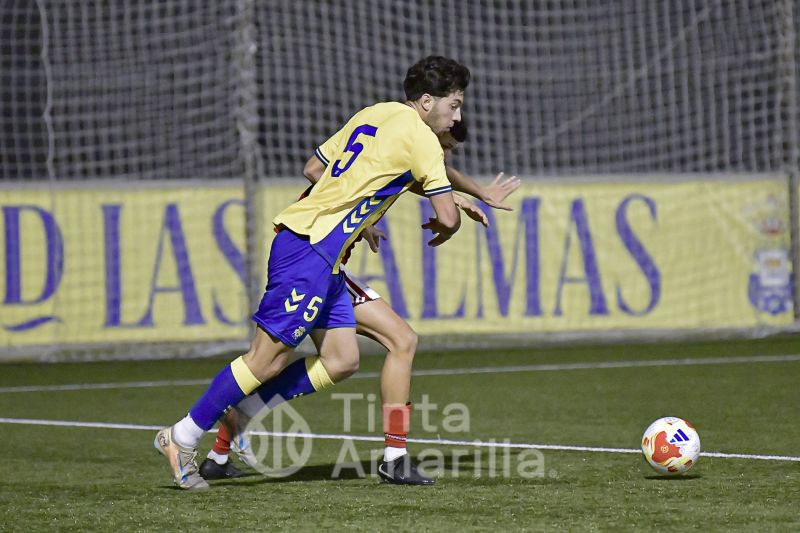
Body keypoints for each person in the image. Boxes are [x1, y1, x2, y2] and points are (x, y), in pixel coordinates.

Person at [154, 55, 470, 490]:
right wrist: (445, 218)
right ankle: (182, 435)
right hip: (309, 250)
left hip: (323, 252)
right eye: (454, 105)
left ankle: (386, 457)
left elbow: (314, 169)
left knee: (344, 358)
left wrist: (361, 214)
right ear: (427, 101)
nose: (458, 116)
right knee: (265, 359)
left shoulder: (376, 112)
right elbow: (448, 218)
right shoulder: (424, 141)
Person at [198, 120, 521, 484]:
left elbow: (327, 172)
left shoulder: (382, 155)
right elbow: (425, 182)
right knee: (397, 341)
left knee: (342, 361)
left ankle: (224, 444)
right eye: (444, 146)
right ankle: (394, 456)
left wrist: (466, 194)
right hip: (313, 260)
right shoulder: (401, 151)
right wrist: (462, 200)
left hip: (324, 265)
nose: (444, 157)